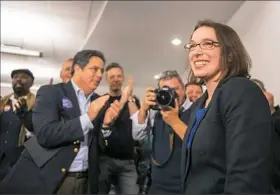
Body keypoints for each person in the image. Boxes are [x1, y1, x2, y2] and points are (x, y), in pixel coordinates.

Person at [0, 50, 121, 194]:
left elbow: (97, 144)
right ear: (77, 69)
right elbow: (45, 134)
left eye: (101, 70)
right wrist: (87, 118)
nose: (100, 75)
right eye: (94, 69)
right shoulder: (50, 93)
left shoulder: (99, 100)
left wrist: (106, 126)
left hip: (86, 181)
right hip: (55, 179)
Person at [180, 20, 272, 193]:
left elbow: (246, 179)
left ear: (229, 53)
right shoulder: (200, 104)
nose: (196, 52)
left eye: (207, 44)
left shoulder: (241, 90)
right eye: (192, 46)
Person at [131, 70, 192, 194]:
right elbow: (137, 135)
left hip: (185, 185)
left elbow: (198, 143)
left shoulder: (195, 110)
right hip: (158, 184)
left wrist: (174, 121)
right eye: (167, 91)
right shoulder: (157, 112)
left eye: (175, 89)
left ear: (184, 89)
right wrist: (143, 109)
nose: (172, 95)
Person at [97, 63, 140, 194]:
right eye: (112, 77)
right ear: (107, 79)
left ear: (123, 78)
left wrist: (129, 98)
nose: (116, 79)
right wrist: (123, 99)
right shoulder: (101, 100)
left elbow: (138, 121)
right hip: (105, 160)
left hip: (128, 160)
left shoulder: (132, 100)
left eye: (119, 76)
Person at [0, 69, 35, 182]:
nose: (19, 80)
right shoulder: (3, 102)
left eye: (24, 77)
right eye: (15, 77)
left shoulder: (37, 103)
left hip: (20, 159)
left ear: (31, 83)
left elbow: (38, 130)